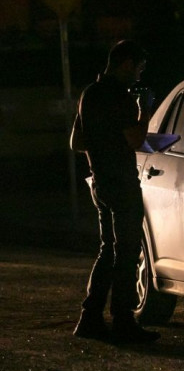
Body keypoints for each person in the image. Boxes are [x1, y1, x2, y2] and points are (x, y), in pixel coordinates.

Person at [70, 40, 160, 343]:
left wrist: (101, 147)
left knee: (108, 250)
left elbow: (76, 142)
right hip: (121, 182)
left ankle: (90, 318)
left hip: (100, 181)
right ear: (125, 64)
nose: (138, 75)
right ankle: (123, 320)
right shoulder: (119, 97)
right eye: (138, 68)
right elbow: (135, 139)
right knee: (127, 252)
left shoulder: (89, 94)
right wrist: (143, 110)